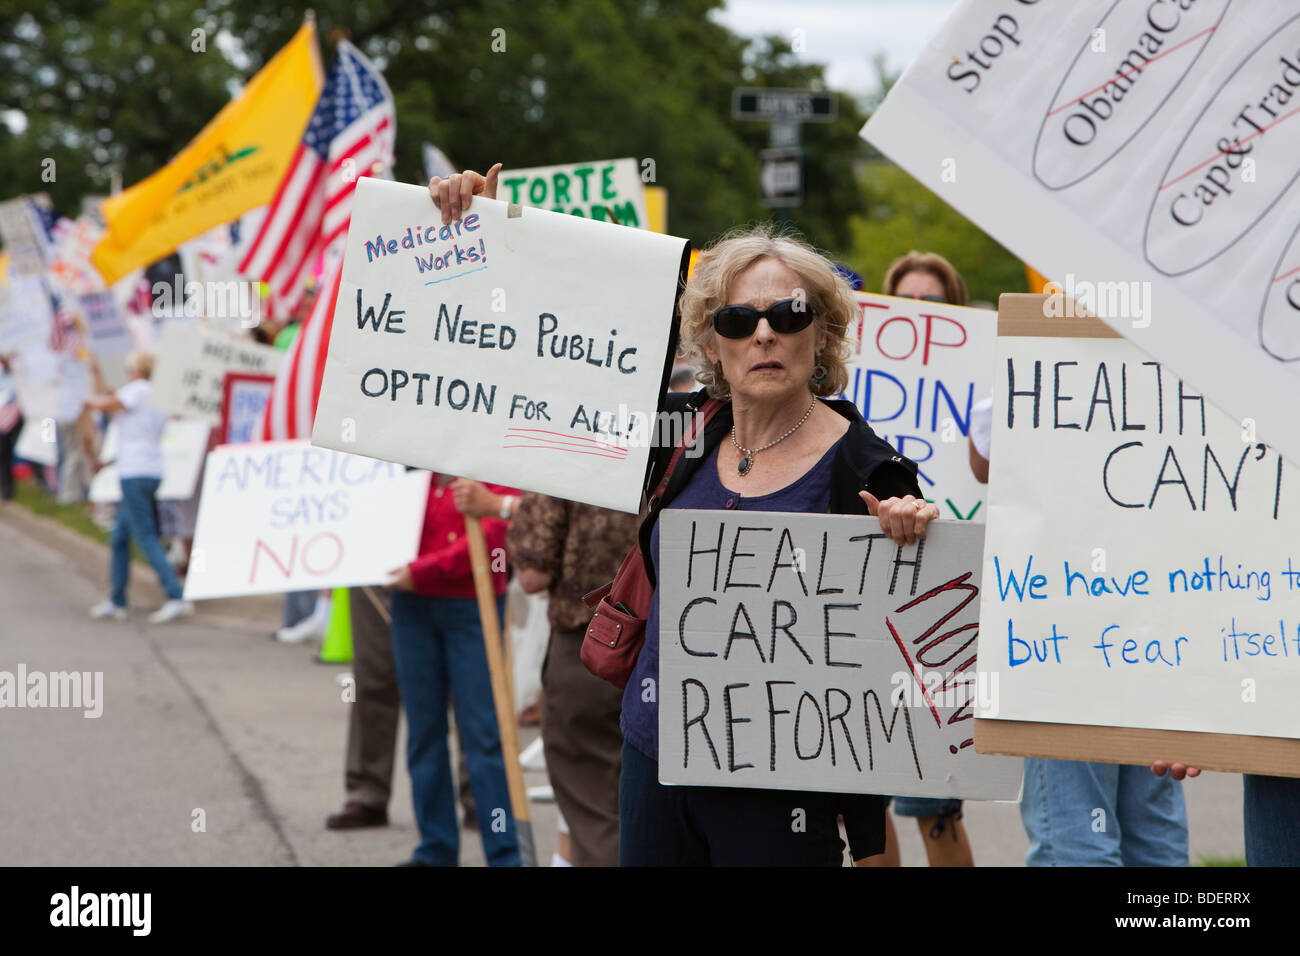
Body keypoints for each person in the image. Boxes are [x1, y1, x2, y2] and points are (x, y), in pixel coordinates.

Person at [968, 395, 1189, 866]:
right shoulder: (1175, 364)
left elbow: (985, 460)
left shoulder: (1047, 366)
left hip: (1068, 626)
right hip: (1158, 619)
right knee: (1150, 827)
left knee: (1076, 835)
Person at [863, 250, 976, 866]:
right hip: (872, 596)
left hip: (944, 602)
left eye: (933, 304)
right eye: (906, 304)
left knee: (937, 799)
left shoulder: (979, 390)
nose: (919, 314)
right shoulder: (856, 390)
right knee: (866, 799)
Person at [385, 471, 522, 866]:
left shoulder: (490, 461)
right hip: (412, 606)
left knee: (484, 737)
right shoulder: (406, 473)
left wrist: (422, 572)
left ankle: (504, 853)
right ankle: (436, 848)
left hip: (471, 605)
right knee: (424, 734)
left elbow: (498, 537)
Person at [505, 491, 641, 867]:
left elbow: (533, 575)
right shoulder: (681, 442)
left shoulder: (567, 458)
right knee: (637, 801)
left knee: (594, 803)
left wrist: (508, 517)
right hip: (668, 647)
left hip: (591, 646)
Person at [83, 350, 193, 624]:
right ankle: (117, 598)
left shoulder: (138, 390)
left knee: (145, 536)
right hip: (149, 468)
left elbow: (110, 404)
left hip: (135, 472)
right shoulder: (155, 394)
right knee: (119, 537)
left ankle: (175, 594)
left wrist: (88, 400)